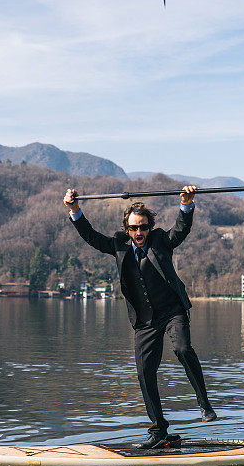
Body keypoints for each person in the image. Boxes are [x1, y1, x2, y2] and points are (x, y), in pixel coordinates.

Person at [63, 186, 216, 449]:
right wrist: (74, 210)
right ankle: (159, 431)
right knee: (145, 373)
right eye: (134, 228)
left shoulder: (160, 241)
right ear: (127, 229)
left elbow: (180, 230)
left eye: (143, 227)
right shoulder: (118, 245)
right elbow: (90, 236)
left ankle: (204, 404)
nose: (139, 232)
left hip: (172, 311)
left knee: (182, 349)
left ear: (150, 227)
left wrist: (187, 205)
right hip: (145, 320)